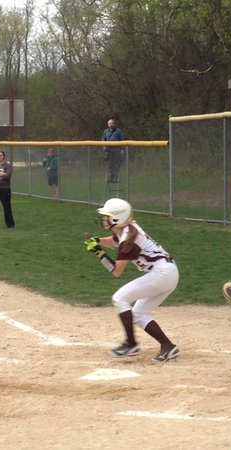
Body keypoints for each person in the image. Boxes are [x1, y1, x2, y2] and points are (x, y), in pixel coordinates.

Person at [85, 198, 180, 362]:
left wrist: (99, 253)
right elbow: (115, 241)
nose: (104, 218)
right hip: (168, 272)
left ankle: (131, 343)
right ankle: (168, 346)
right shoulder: (129, 228)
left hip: (161, 273)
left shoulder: (128, 241)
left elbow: (116, 271)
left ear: (117, 219)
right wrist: (98, 241)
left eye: (107, 216)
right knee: (138, 314)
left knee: (120, 298)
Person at [102, 118, 124, 182]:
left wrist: (122, 149)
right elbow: (103, 139)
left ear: (114, 124)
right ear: (108, 124)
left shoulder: (118, 131)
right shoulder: (105, 131)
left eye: (112, 123)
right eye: (109, 123)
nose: (111, 125)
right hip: (109, 150)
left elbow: (122, 140)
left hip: (117, 149)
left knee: (117, 163)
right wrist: (104, 146)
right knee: (110, 164)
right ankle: (110, 177)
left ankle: (116, 177)